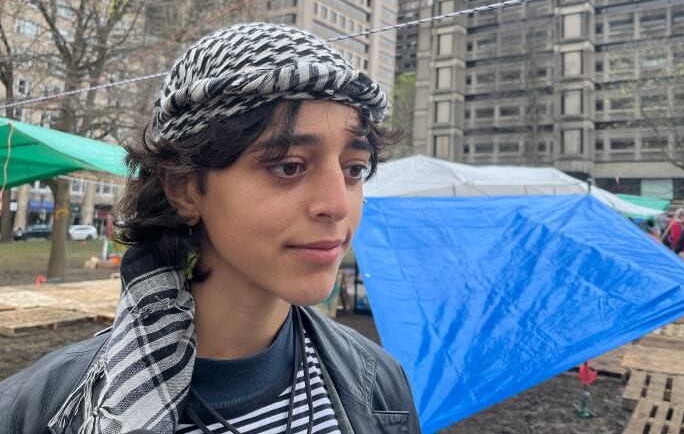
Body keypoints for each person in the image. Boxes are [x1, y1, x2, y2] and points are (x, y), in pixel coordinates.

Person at [0, 23, 421, 434]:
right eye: (289, 166)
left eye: (354, 169)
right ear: (184, 187)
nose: (337, 205)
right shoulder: (38, 410)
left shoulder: (380, 385)